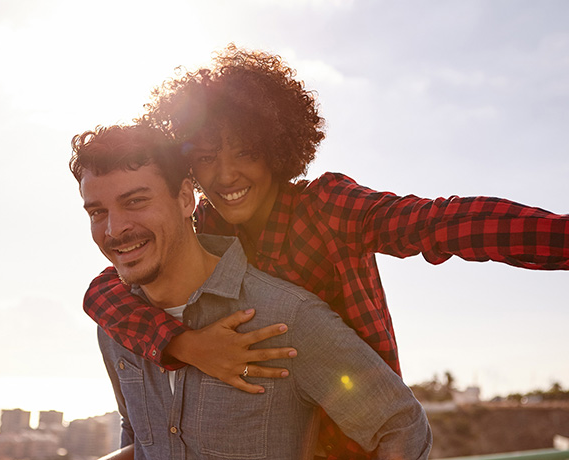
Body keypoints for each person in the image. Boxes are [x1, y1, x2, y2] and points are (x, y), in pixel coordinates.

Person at [82, 45, 569, 459]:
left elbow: (444, 223)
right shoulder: (201, 228)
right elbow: (106, 292)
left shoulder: (329, 208)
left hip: (357, 438)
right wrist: (184, 345)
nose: (225, 175)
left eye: (245, 152)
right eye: (206, 158)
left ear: (276, 147)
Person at [70, 123, 432, 460]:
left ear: (185, 199)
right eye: (97, 212)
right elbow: (142, 435)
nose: (115, 229)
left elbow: (400, 426)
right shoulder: (117, 328)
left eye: (136, 201)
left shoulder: (285, 317)